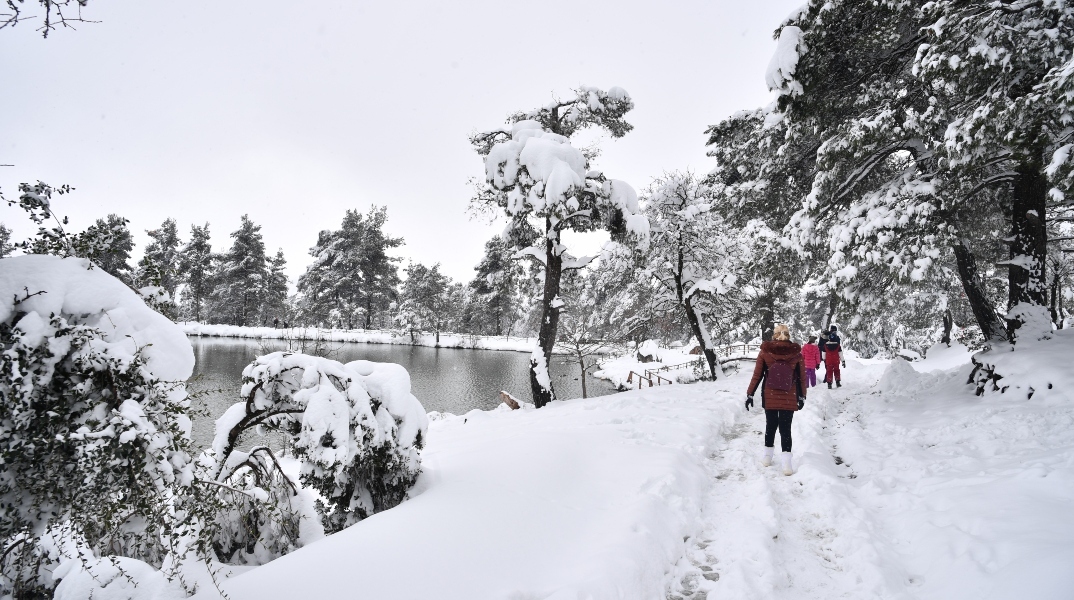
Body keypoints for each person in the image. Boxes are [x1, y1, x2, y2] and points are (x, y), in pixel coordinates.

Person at [744, 323, 807, 476]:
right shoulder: (797, 354)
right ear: (788, 335)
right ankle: (787, 464)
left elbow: (757, 375)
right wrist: (802, 396)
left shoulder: (765, 352)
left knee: (770, 426)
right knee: (786, 429)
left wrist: (750, 394)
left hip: (769, 395)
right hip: (789, 395)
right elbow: (801, 378)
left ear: (774, 335)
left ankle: (767, 457)